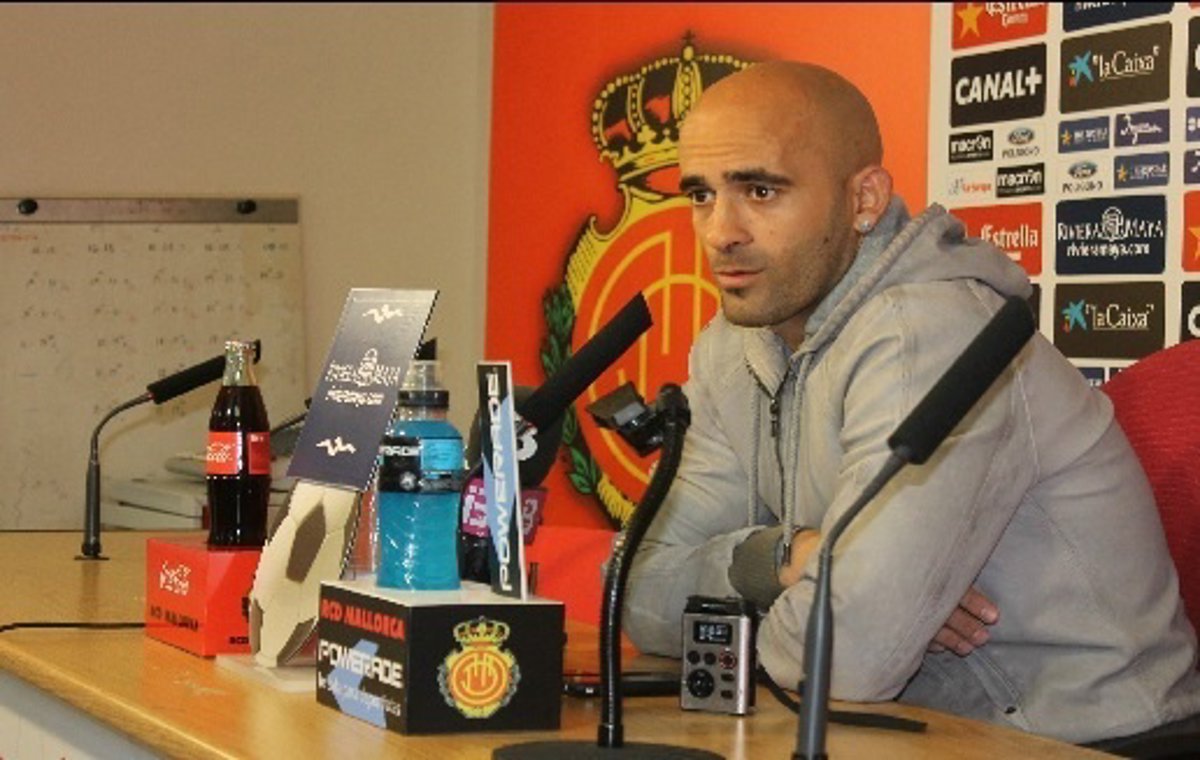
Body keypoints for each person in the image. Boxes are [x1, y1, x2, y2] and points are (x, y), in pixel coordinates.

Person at [623, 60, 1200, 750]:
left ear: (864, 199)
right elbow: (633, 591)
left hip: (1081, 740)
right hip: (901, 728)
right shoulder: (734, 347)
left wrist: (828, 601)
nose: (721, 231)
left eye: (760, 190)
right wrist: (781, 558)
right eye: (700, 194)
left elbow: (846, 655)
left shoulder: (928, 330)